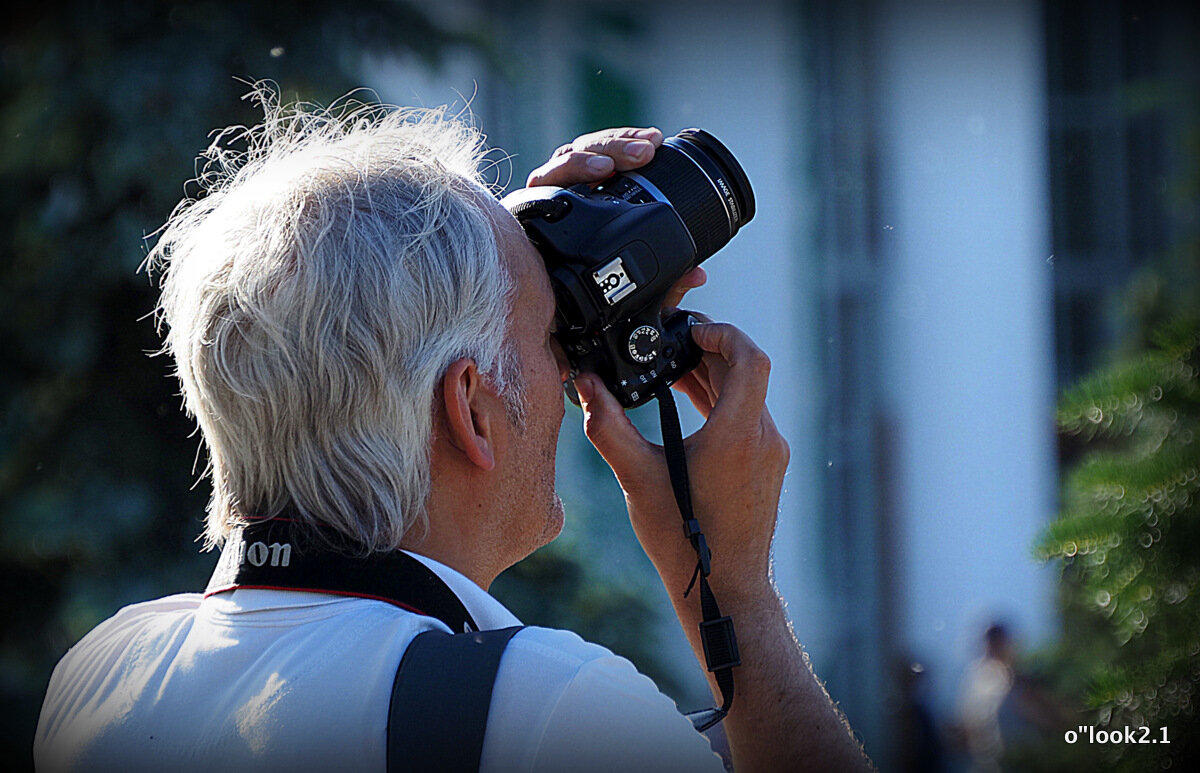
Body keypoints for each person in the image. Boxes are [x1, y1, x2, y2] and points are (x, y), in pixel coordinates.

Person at [34, 87, 874, 772]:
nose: (571, 377)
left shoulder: (104, 675)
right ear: (470, 408)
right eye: (553, 343)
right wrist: (736, 593)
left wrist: (479, 262)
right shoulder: (538, 709)